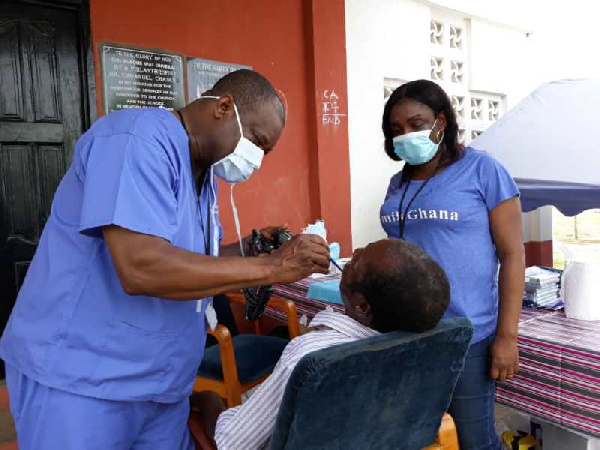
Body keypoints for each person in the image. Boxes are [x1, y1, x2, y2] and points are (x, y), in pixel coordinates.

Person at [0, 69, 330, 450]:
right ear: (224, 108)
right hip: (82, 380)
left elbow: (189, 261)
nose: (255, 160)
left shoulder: (203, 174)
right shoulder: (134, 139)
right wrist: (277, 267)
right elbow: (142, 267)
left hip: (161, 383)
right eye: (256, 141)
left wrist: (250, 251)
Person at [193, 238, 451, 449]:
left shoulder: (312, 356)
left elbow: (232, 444)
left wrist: (211, 402)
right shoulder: (423, 346)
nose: (355, 251)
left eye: (358, 259)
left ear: (362, 306)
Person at [380, 79, 525, 449]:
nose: (406, 135)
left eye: (416, 124)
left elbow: (512, 254)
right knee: (424, 438)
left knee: (473, 440)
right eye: (397, 130)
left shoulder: (482, 170)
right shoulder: (398, 183)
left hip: (467, 334)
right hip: (408, 334)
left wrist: (507, 337)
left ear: (441, 122)